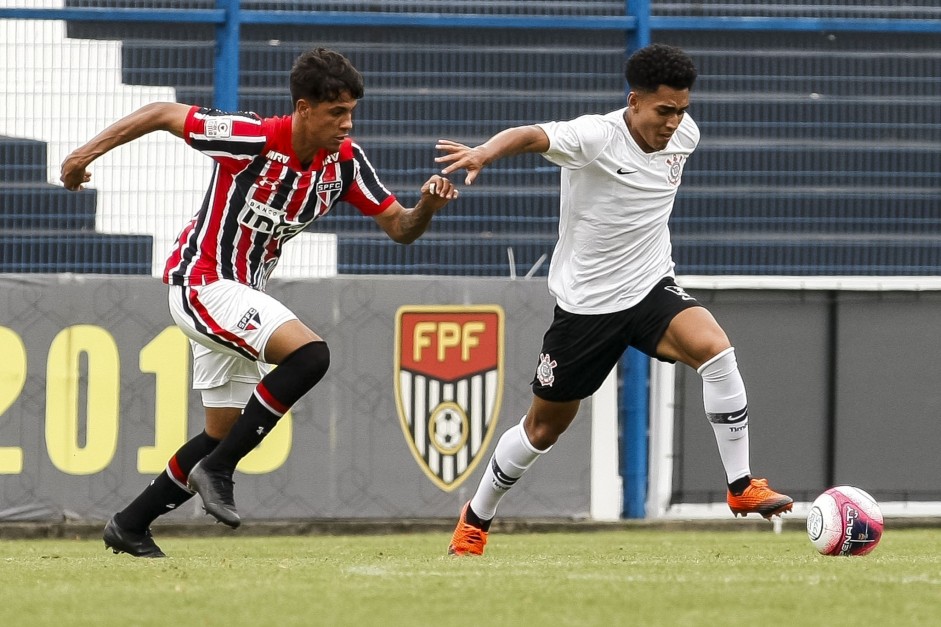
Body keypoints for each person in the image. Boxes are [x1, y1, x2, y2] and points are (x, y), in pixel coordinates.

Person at [60, 47, 458, 558]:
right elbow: (161, 113)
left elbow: (400, 228)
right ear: (303, 108)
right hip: (202, 282)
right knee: (311, 354)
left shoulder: (345, 164)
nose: (346, 124)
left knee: (221, 434)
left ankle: (130, 524)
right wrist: (81, 156)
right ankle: (219, 471)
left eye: (352, 112)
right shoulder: (251, 139)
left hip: (243, 294)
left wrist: (426, 204)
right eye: (336, 112)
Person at [435, 43, 792, 557]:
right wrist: (487, 151)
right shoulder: (596, 136)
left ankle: (741, 486)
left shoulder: (684, 137)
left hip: (650, 288)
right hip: (587, 309)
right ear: (634, 101)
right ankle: (476, 518)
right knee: (542, 429)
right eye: (663, 110)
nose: (673, 122)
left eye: (681, 110)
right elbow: (532, 135)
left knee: (715, 348)